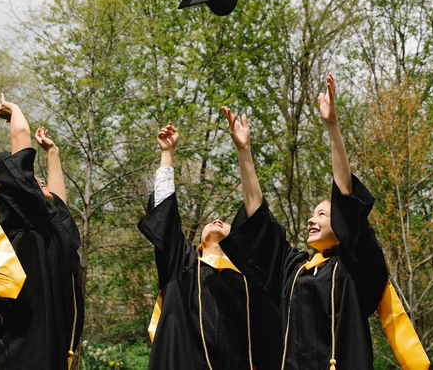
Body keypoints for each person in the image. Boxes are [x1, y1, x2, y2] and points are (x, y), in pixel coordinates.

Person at [219, 74, 390, 370]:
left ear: (342, 227)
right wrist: (244, 152)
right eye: (313, 214)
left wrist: (332, 126)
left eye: (322, 214)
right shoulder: (293, 271)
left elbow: (346, 196)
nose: (312, 219)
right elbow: (259, 220)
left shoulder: (354, 268)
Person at [0, 94, 84, 370]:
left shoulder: (51, 233)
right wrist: (16, 115)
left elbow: (60, 206)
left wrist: (53, 153)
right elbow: (20, 155)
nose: (41, 180)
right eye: (35, 179)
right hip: (21, 356)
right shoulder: (20, 223)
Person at [138, 122, 281, 370]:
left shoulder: (250, 283)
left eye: (226, 223)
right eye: (211, 222)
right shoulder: (181, 268)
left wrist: (244, 150)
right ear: (199, 247)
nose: (217, 220)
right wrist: (167, 153)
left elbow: (260, 226)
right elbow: (165, 216)